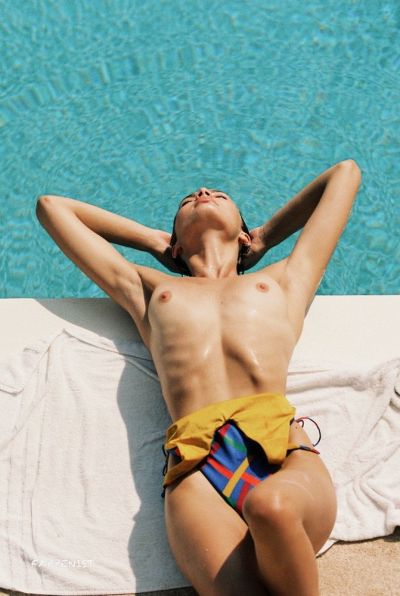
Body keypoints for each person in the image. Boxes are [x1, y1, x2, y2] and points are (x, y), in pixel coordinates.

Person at [36, 158, 362, 596]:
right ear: (173, 246)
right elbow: (52, 207)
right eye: (188, 201)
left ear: (243, 235)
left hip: (282, 451)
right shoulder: (150, 289)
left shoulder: (285, 280)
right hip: (196, 467)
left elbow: (345, 174)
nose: (203, 192)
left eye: (218, 195)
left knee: (270, 507)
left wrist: (264, 237)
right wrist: (155, 241)